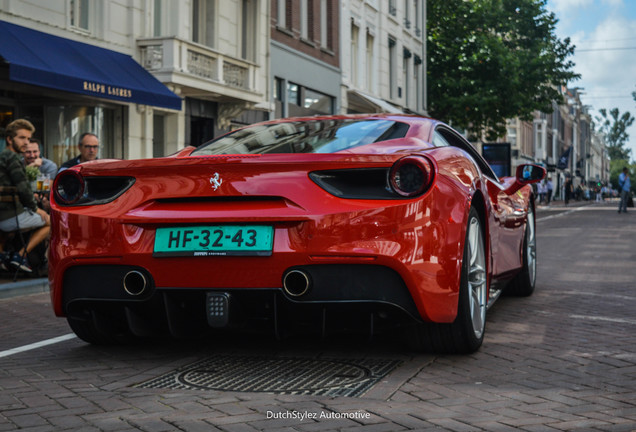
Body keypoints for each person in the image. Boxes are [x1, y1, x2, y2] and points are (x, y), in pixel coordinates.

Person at [0, 119, 51, 272]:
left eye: (28, 138)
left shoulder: (3, 157)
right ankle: (20, 257)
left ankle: (3, 256)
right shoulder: (13, 159)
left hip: (4, 215)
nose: (26, 142)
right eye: (22, 138)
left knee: (13, 230)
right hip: (10, 216)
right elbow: (24, 190)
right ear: (10, 139)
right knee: (50, 222)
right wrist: (38, 210)